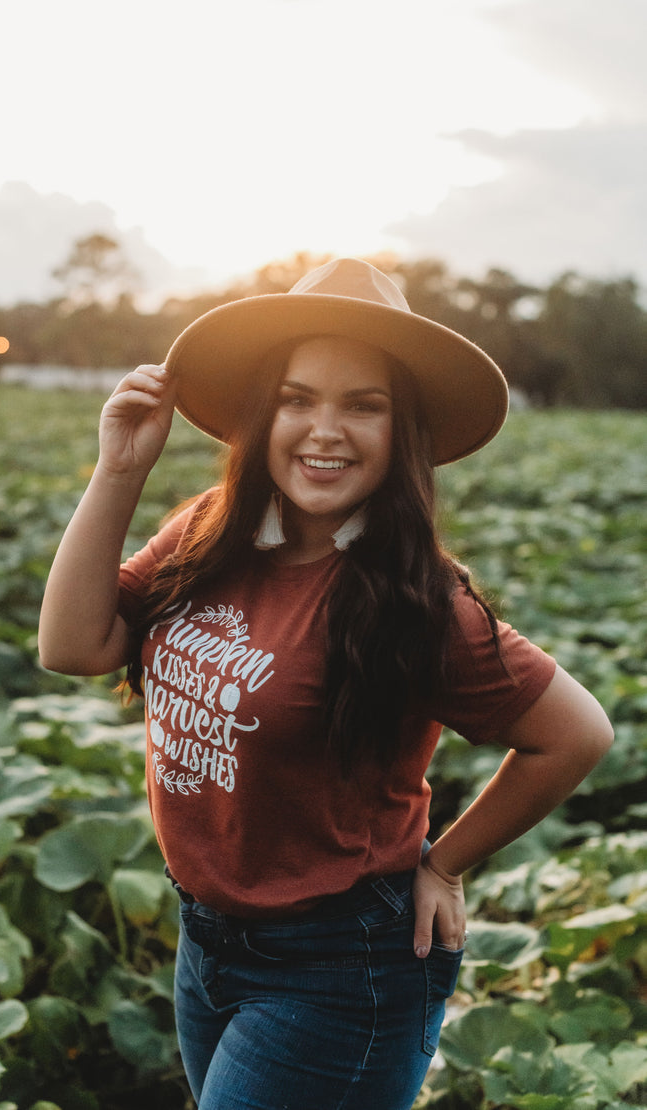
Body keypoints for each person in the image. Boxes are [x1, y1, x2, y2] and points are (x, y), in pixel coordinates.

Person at [38, 258, 613, 1110]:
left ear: (403, 429)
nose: (324, 430)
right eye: (298, 398)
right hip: (208, 944)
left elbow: (577, 734)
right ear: (262, 412)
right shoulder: (207, 532)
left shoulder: (418, 600)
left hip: (344, 966)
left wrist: (446, 865)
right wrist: (119, 471)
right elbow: (72, 644)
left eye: (363, 405)